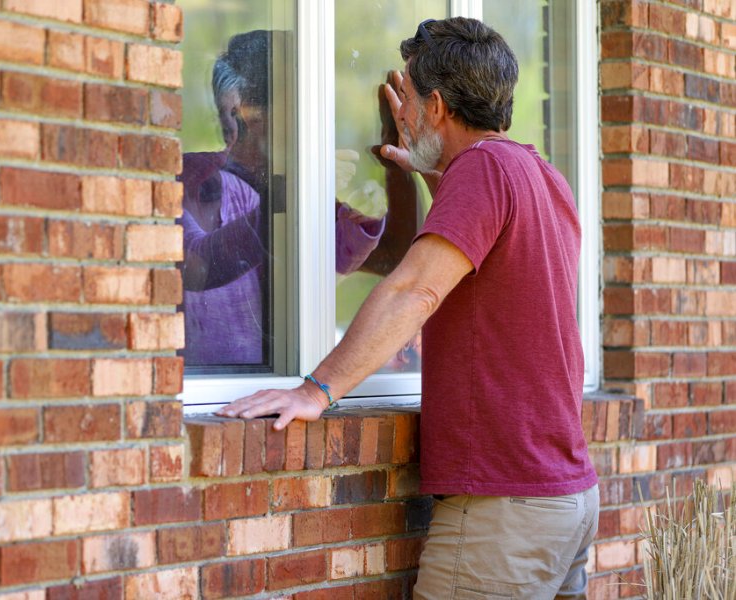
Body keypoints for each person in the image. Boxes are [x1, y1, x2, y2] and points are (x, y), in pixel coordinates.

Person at [218, 17, 598, 599]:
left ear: (438, 105)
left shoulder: (482, 170)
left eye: (412, 101)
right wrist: (424, 173)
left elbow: (415, 290)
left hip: (505, 512)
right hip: (564, 500)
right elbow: (474, 265)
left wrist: (315, 391)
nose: (407, 115)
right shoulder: (541, 176)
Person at [181, 30, 393, 367]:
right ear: (242, 114)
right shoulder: (192, 177)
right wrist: (290, 194)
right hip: (204, 385)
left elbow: (332, 261)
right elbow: (197, 265)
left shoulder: (282, 184)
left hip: (270, 383)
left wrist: (363, 218)